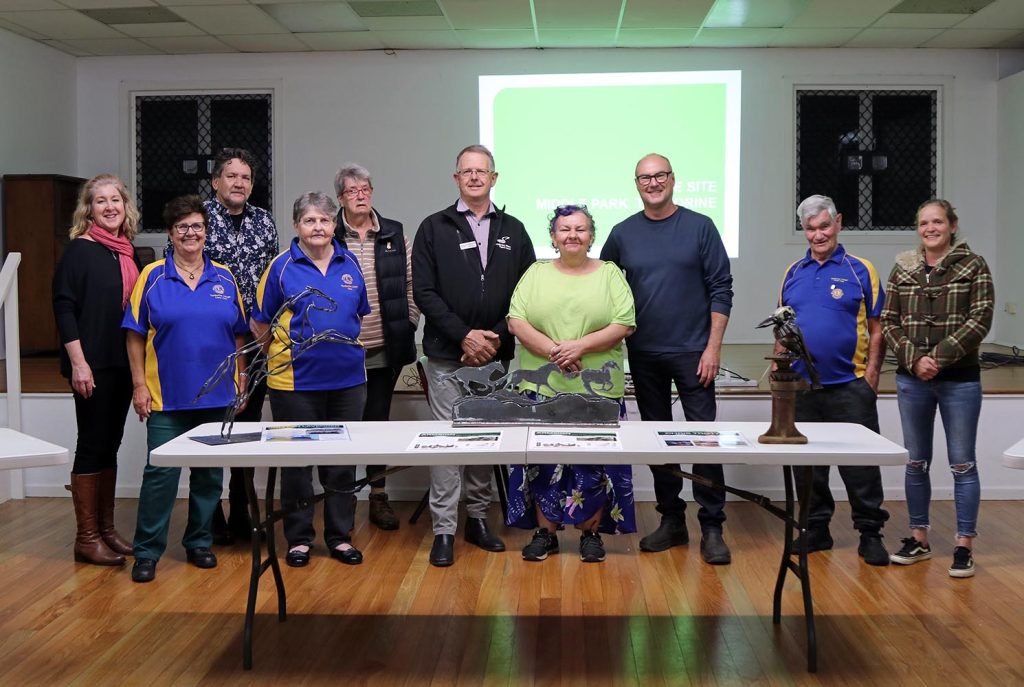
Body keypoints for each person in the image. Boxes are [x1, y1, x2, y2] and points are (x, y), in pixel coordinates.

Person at [600, 153, 734, 565]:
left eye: (660, 176)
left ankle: (712, 527)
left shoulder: (700, 227)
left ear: (673, 179)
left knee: (704, 441)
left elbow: (721, 288)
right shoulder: (622, 233)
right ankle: (672, 521)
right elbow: (602, 282)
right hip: (643, 355)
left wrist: (712, 348)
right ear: (636, 183)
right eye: (645, 177)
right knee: (659, 441)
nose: (653, 183)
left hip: (695, 354)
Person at [412, 144, 536, 567]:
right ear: (456, 179)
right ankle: (444, 528)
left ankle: (478, 519)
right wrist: (465, 336)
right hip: (448, 356)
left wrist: (493, 339)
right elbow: (424, 292)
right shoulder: (434, 227)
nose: (475, 177)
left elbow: (526, 294)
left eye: (482, 171)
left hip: (496, 358)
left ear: (494, 178)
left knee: (484, 441)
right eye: (467, 171)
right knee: (449, 444)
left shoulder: (515, 230)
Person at [123, 195, 249, 583]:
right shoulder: (153, 276)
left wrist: (241, 380)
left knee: (209, 475)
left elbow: (240, 334)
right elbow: (134, 335)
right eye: (183, 228)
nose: (191, 233)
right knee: (160, 475)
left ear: (206, 232)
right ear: (171, 234)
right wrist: (139, 385)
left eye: (197, 226)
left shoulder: (225, 277)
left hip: (216, 396)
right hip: (167, 396)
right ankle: (147, 552)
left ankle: (199, 542)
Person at [506, 205, 636, 563]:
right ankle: (545, 533)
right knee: (543, 463)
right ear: (553, 236)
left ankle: (590, 534)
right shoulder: (535, 273)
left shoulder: (610, 274)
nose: (572, 235)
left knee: (592, 464)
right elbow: (516, 320)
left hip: (597, 390)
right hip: (542, 388)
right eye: (565, 229)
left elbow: (624, 322)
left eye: (580, 229)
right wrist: (555, 351)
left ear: (592, 236)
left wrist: (579, 346)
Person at [252, 192, 370, 568]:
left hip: (348, 381)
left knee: (342, 463)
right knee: (297, 464)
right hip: (294, 384)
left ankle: (339, 537)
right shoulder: (282, 267)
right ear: (297, 226)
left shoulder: (349, 262)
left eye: (324, 220)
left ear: (334, 225)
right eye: (309, 221)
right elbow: (260, 323)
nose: (318, 227)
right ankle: (300, 539)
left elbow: (358, 316)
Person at [882, 199, 993, 578]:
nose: (930, 228)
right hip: (912, 380)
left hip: (959, 381)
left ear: (952, 226)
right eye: (924, 222)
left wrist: (939, 358)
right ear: (918, 228)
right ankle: (919, 538)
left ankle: (964, 545)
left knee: (963, 462)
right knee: (916, 461)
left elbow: (980, 319)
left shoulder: (974, 266)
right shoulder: (903, 268)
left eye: (938, 222)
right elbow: (889, 320)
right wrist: (915, 359)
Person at [777, 195, 890, 566]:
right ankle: (815, 530)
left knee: (861, 466)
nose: (818, 234)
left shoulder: (861, 270)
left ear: (838, 222)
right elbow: (783, 328)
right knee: (808, 466)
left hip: (850, 386)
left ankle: (870, 534)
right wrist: (781, 369)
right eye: (810, 229)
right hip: (803, 388)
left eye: (824, 226)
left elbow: (877, 329)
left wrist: (871, 376)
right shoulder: (793, 272)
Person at [52, 173, 141, 566]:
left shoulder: (127, 253)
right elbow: (64, 307)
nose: (109, 207)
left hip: (121, 362)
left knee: (111, 443)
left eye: (115, 200)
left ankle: (105, 530)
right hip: (91, 364)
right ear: (89, 209)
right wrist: (78, 363)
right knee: (91, 443)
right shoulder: (79, 251)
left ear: (125, 207)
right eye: (100, 201)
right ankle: (86, 538)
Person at [334, 163, 419, 531]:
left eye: (365, 188)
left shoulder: (394, 233)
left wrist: (409, 322)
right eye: (352, 190)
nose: (360, 194)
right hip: (341, 351)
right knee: (344, 425)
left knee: (377, 422)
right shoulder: (329, 234)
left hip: (385, 346)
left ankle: (378, 495)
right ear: (340, 198)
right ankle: (342, 498)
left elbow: (412, 285)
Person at [202, 147, 279, 544]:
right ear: (216, 182)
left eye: (245, 178)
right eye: (231, 176)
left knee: (247, 427)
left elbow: (271, 281)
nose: (239, 183)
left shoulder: (264, 222)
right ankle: (208, 513)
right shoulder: (196, 220)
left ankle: (241, 510)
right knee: (214, 427)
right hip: (210, 342)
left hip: (254, 340)